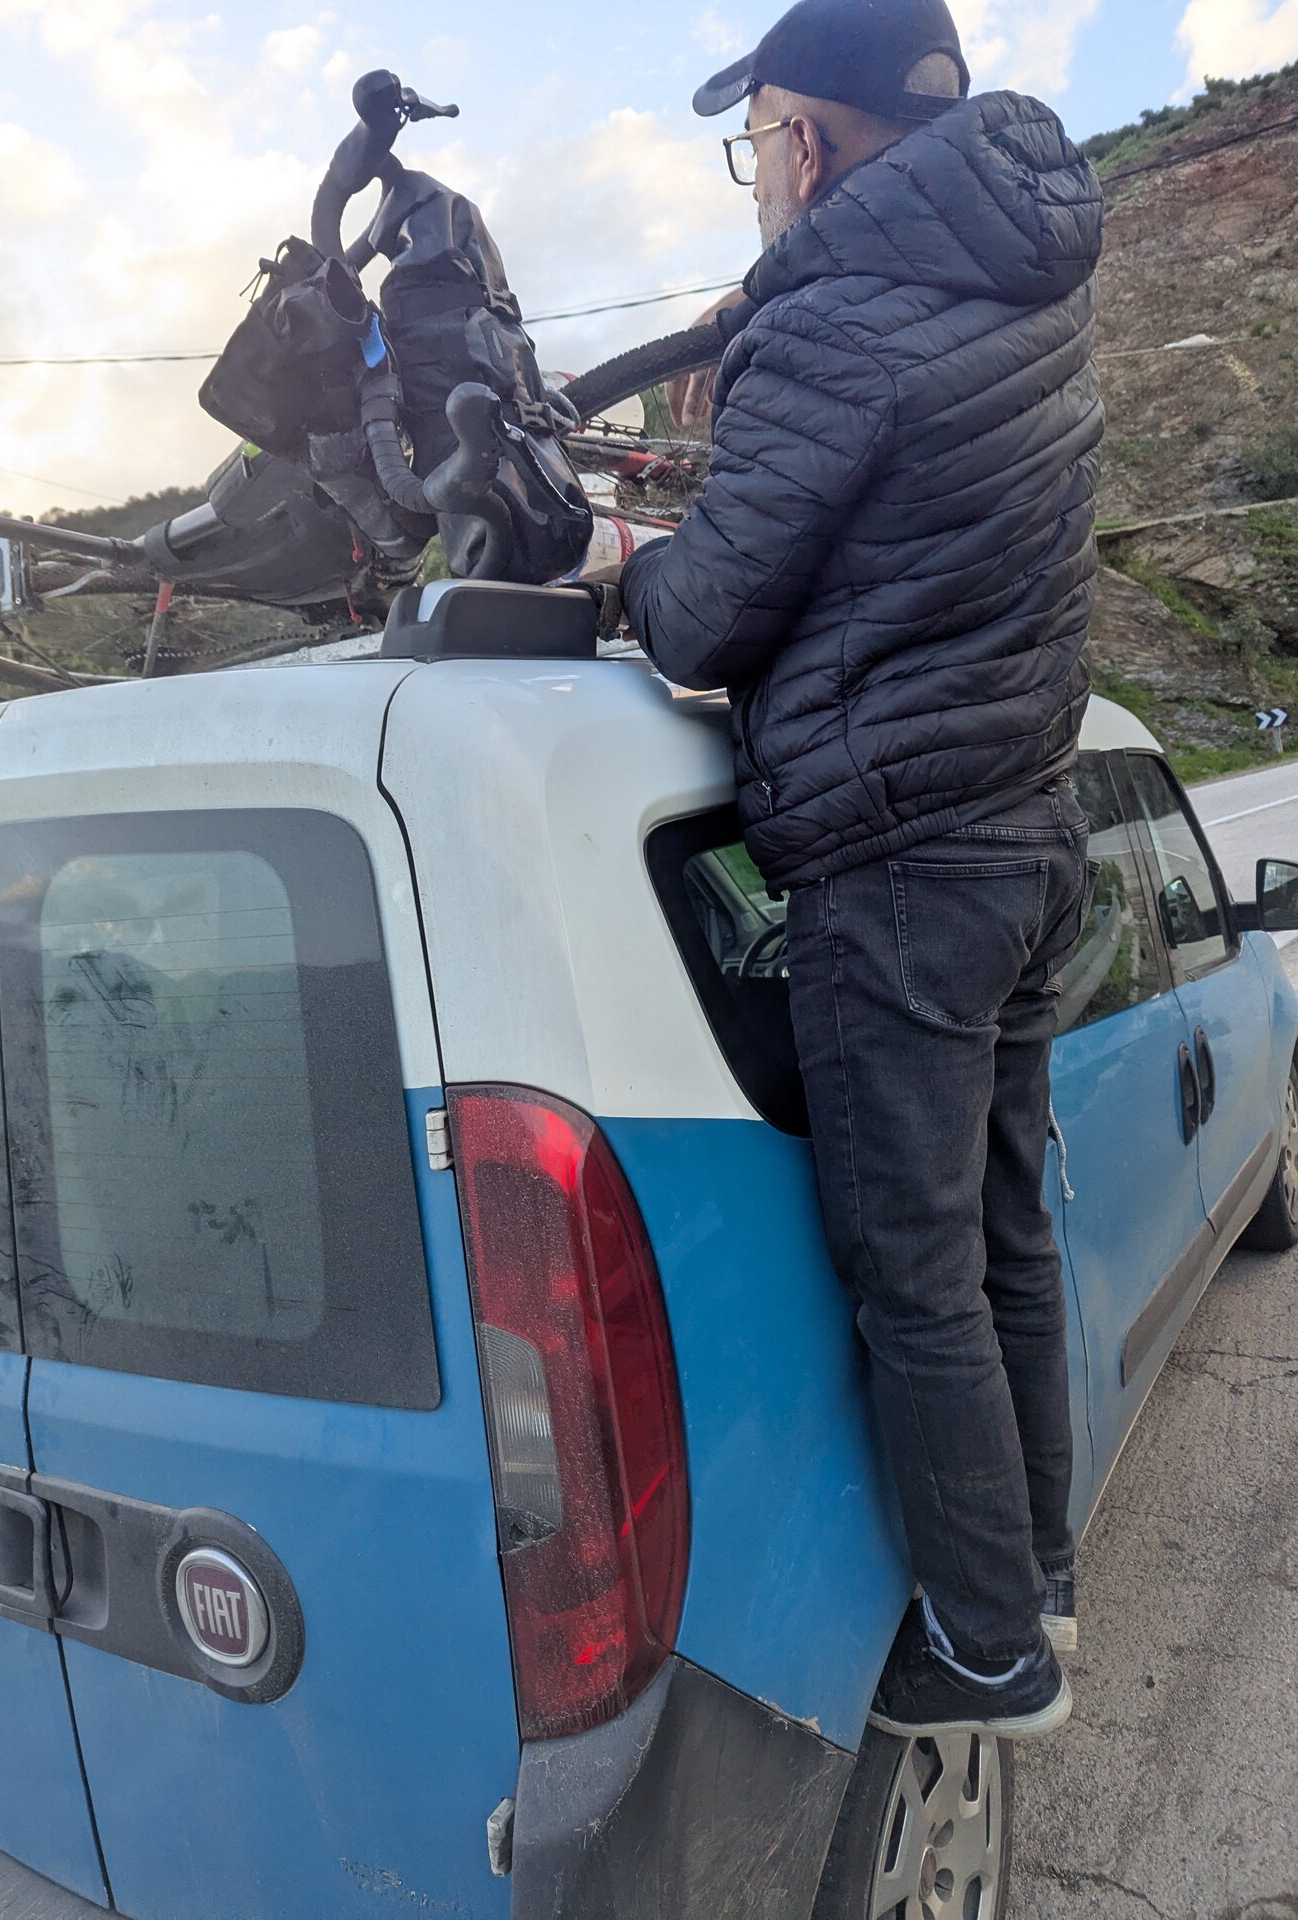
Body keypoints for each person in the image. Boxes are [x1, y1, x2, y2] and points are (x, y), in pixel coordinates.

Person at [615, 0, 1104, 1740]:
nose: (756, 180)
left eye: (755, 142)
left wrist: (626, 553)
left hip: (895, 866)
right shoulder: (1024, 282)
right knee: (1001, 1242)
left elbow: (703, 613)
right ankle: (1031, 1571)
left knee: (915, 1281)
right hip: (1025, 829)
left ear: (805, 144)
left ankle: (989, 1653)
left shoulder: (825, 319)